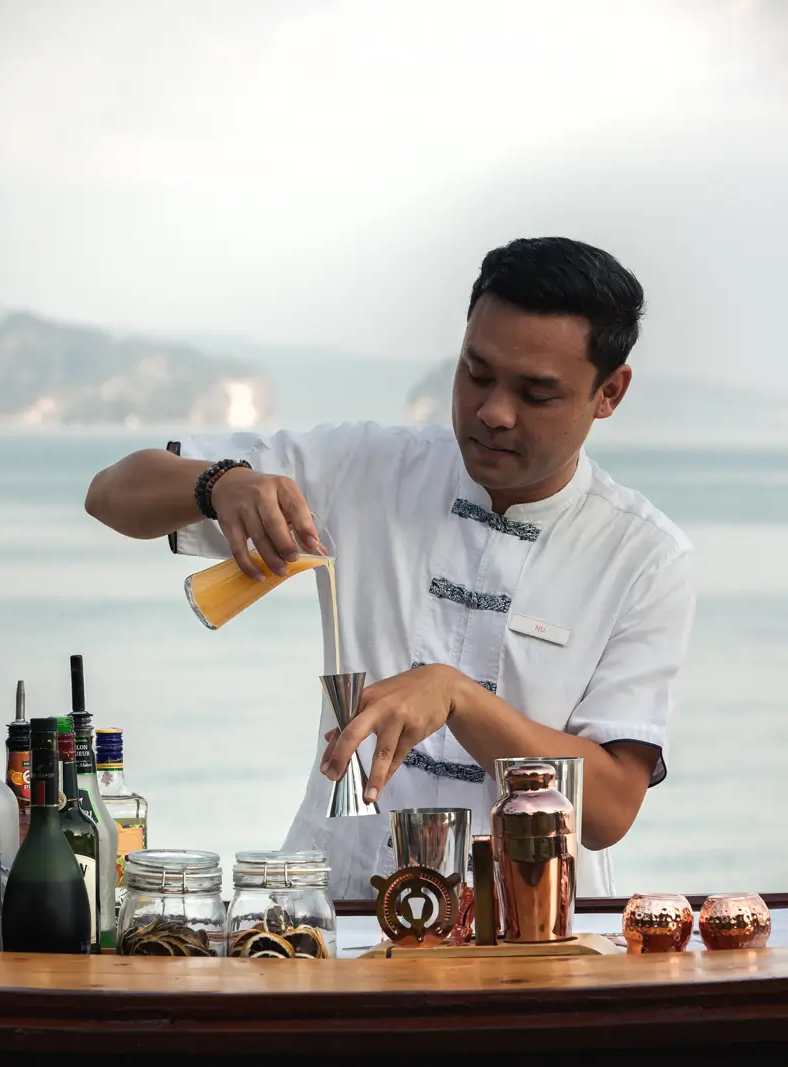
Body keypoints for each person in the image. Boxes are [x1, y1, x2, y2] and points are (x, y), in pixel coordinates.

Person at [85, 236, 695, 899]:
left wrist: (458, 697)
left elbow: (609, 810)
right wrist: (217, 483)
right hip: (335, 912)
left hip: (533, 925)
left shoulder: (643, 556)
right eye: (476, 372)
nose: (493, 412)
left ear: (609, 392)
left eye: (536, 393)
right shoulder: (362, 469)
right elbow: (110, 493)